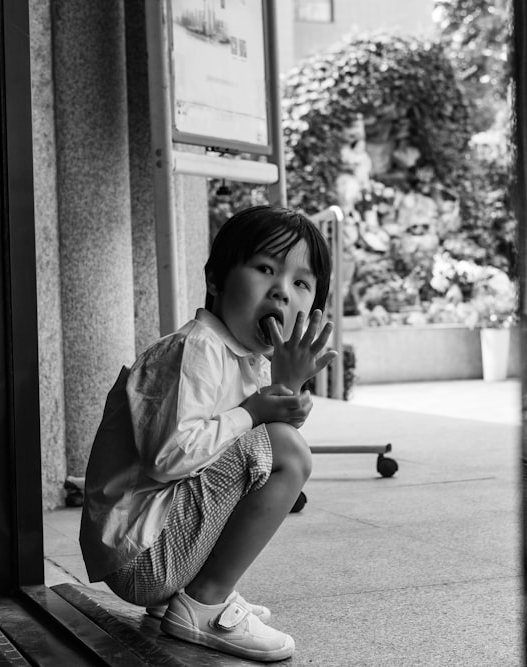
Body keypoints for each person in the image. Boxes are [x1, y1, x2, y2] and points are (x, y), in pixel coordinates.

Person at [79, 205, 338, 662]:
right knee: (291, 454)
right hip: (142, 553)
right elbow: (170, 459)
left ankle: (194, 590)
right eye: (265, 269)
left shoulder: (243, 358)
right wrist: (256, 411)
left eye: (300, 283)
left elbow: (251, 451)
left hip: (156, 547)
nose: (281, 291)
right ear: (216, 279)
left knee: (280, 444)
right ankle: (204, 604)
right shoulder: (196, 348)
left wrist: (286, 388)